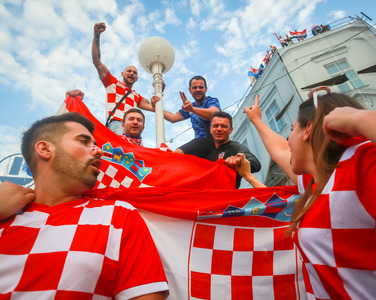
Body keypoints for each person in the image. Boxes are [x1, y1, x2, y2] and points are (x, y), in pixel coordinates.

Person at [239, 88, 376, 299]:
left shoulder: (362, 166)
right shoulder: (314, 182)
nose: (288, 142)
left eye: (290, 132)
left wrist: (359, 119)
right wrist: (256, 120)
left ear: (308, 129)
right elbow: (281, 152)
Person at [0, 112, 169, 299]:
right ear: (45, 149)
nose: (99, 151)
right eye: (83, 141)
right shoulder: (4, 213)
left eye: (95, 144)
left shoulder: (118, 217)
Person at [92, 22, 161, 135]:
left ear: (137, 78)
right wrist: (96, 35)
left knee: (134, 153)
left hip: (133, 127)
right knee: (121, 152)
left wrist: (156, 98)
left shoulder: (135, 96)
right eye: (129, 71)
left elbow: (154, 108)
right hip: (117, 124)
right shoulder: (112, 83)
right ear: (122, 74)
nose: (131, 73)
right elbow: (97, 61)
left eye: (134, 72)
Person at [163, 75, 221, 158]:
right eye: (194, 87)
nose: (198, 90)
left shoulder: (210, 101)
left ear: (206, 89)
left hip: (212, 140)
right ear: (190, 90)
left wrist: (192, 109)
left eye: (201, 87)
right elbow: (173, 117)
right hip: (200, 146)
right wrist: (156, 109)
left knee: (177, 154)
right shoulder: (190, 106)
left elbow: (214, 114)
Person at [205, 111, 261, 189]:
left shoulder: (235, 147)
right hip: (207, 197)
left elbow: (255, 163)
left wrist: (239, 161)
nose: (219, 129)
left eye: (223, 126)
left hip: (228, 197)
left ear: (231, 130)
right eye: (215, 126)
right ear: (210, 129)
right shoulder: (205, 151)